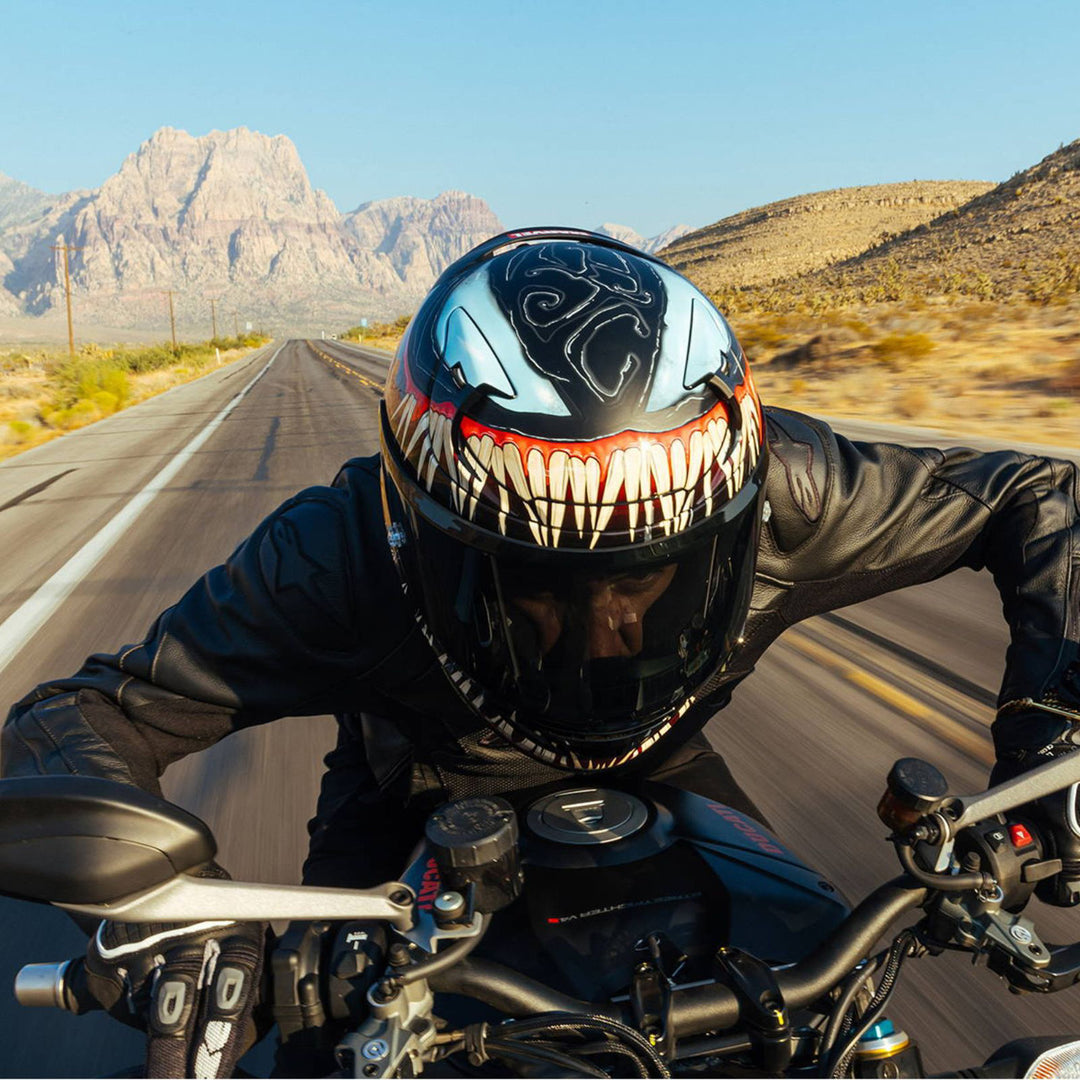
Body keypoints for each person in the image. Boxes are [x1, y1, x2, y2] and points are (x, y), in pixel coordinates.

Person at [4, 227, 1079, 1076]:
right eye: (541, 588)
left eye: (651, 577)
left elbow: (1042, 495)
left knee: (837, 1012)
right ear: (419, 541)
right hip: (408, 794)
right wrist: (183, 929)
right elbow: (83, 714)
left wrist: (1049, 744)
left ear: (731, 522)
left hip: (664, 772)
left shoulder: (785, 494)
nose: (612, 628)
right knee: (309, 1051)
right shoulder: (338, 554)